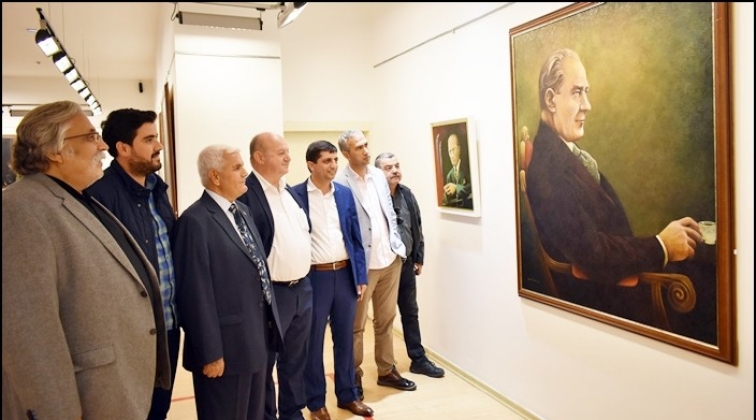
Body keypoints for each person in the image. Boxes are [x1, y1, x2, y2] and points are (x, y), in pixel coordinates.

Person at [2, 100, 170, 419]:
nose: (103, 146)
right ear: (56, 150)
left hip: (113, 391)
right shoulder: (19, 210)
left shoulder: (76, 199)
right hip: (83, 399)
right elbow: (29, 337)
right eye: (92, 137)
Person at [525, 48, 703, 324]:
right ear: (550, 99)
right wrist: (661, 245)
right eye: (577, 92)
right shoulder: (549, 169)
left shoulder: (563, 154)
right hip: (608, 301)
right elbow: (591, 254)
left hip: (619, 284)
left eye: (586, 92)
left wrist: (666, 242)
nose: (587, 105)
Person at [172, 144, 283, 419]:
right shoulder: (194, 222)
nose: (245, 172)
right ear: (215, 176)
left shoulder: (241, 211)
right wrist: (210, 353)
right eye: (237, 167)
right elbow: (194, 295)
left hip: (255, 341)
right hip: (224, 351)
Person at [85, 108, 180, 420]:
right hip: (132, 331)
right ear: (123, 148)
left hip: (168, 324)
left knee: (160, 408)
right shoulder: (99, 195)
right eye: (149, 139)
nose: (159, 145)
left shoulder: (157, 189)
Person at [291, 140, 374, 420]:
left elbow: (355, 238)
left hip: (345, 275)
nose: (334, 165)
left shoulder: (345, 194)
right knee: (313, 343)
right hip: (315, 278)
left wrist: (360, 275)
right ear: (311, 165)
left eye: (335, 159)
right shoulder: (295, 196)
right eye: (327, 160)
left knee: (345, 338)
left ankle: (348, 395)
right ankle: (316, 402)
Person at [335, 129, 415, 400]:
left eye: (366, 145)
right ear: (346, 153)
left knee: (386, 320)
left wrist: (397, 246)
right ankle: (353, 375)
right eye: (359, 147)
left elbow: (388, 212)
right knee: (356, 326)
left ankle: (386, 370)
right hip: (362, 267)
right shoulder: (341, 182)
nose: (366, 151)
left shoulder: (379, 176)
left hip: (389, 260)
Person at [238, 132, 313, 420]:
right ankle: (266, 416)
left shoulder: (289, 192)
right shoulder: (245, 194)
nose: (288, 157)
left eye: (287, 151)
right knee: (265, 363)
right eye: (281, 152)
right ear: (259, 157)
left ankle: (292, 414)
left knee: (295, 360)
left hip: (301, 290)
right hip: (271, 294)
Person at [375, 152, 445, 378]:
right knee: (384, 317)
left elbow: (416, 226)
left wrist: (418, 257)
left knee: (410, 312)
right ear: (377, 173)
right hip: (383, 266)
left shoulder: (406, 194)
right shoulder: (374, 197)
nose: (395, 170)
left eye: (396, 165)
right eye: (388, 168)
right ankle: (385, 366)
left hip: (405, 264)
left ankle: (418, 358)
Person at [443, 133, 472, 209]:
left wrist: (456, 188)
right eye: (450, 151)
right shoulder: (449, 176)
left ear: (459, 149)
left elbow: (472, 187)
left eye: (453, 150)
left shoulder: (468, 168)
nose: (452, 155)